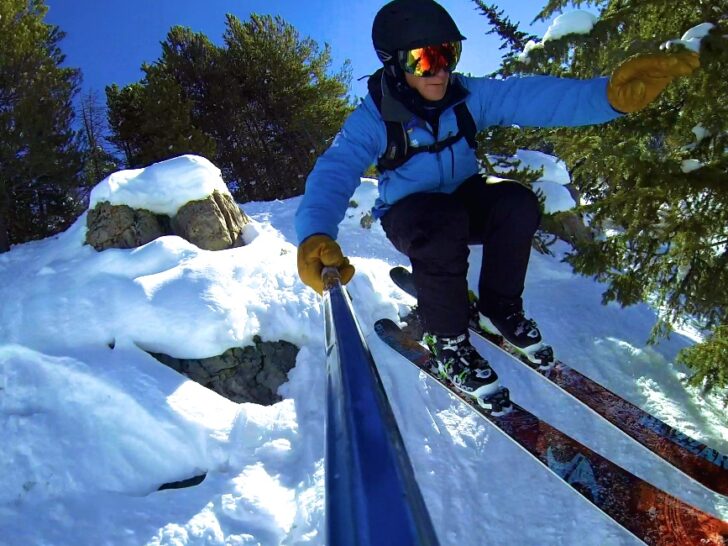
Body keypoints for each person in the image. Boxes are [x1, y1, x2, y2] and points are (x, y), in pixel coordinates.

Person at [295, 0, 699, 401]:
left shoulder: (466, 95)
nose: (439, 71)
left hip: (462, 198)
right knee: (442, 222)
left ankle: (498, 308)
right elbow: (335, 171)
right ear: (395, 64)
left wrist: (607, 97)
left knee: (516, 202)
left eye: (448, 54)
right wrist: (315, 232)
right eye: (423, 60)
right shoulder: (372, 118)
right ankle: (448, 340)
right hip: (412, 215)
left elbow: (532, 97)